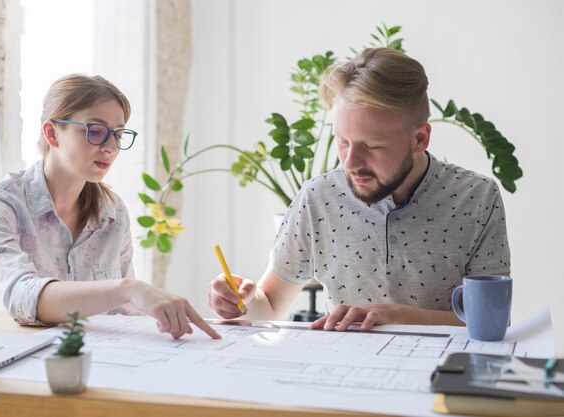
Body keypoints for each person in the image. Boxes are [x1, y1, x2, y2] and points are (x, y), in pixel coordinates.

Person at [208, 48, 510, 331]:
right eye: (343, 141)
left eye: (372, 146)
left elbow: (492, 323)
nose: (351, 162)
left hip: (445, 379)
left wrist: (397, 315)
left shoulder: (477, 198)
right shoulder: (318, 198)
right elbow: (270, 304)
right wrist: (240, 302)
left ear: (420, 139)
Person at [0, 74, 219, 340]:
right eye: (95, 131)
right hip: (21, 367)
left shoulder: (113, 213)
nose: (110, 147)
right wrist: (127, 289)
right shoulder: (1, 204)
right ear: (52, 133)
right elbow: (21, 298)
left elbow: (126, 317)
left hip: (103, 364)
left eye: (118, 134)